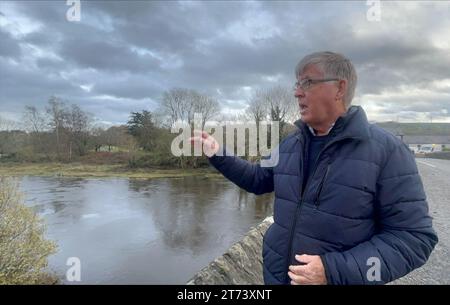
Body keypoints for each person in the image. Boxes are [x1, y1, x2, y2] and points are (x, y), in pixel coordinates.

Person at [190, 51, 438, 285]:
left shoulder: (388, 151)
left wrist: (333, 270)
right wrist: (217, 153)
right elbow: (257, 179)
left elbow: (413, 239)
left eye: (307, 83)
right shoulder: (290, 143)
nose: (297, 93)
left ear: (339, 88)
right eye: (296, 85)